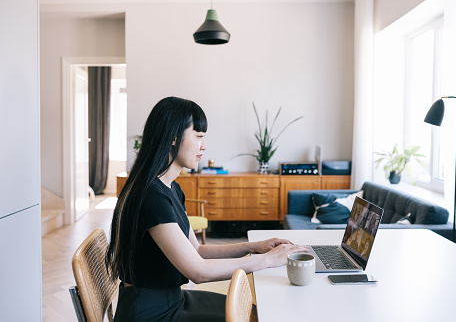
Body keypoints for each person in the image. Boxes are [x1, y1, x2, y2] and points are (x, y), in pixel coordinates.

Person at [106, 96, 308, 322]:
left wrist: (254, 247)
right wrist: (269, 260)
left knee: (251, 312)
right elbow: (199, 271)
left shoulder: (170, 188)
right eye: (199, 136)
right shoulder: (151, 197)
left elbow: (197, 251)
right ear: (173, 137)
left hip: (172, 300)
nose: (204, 145)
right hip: (150, 314)